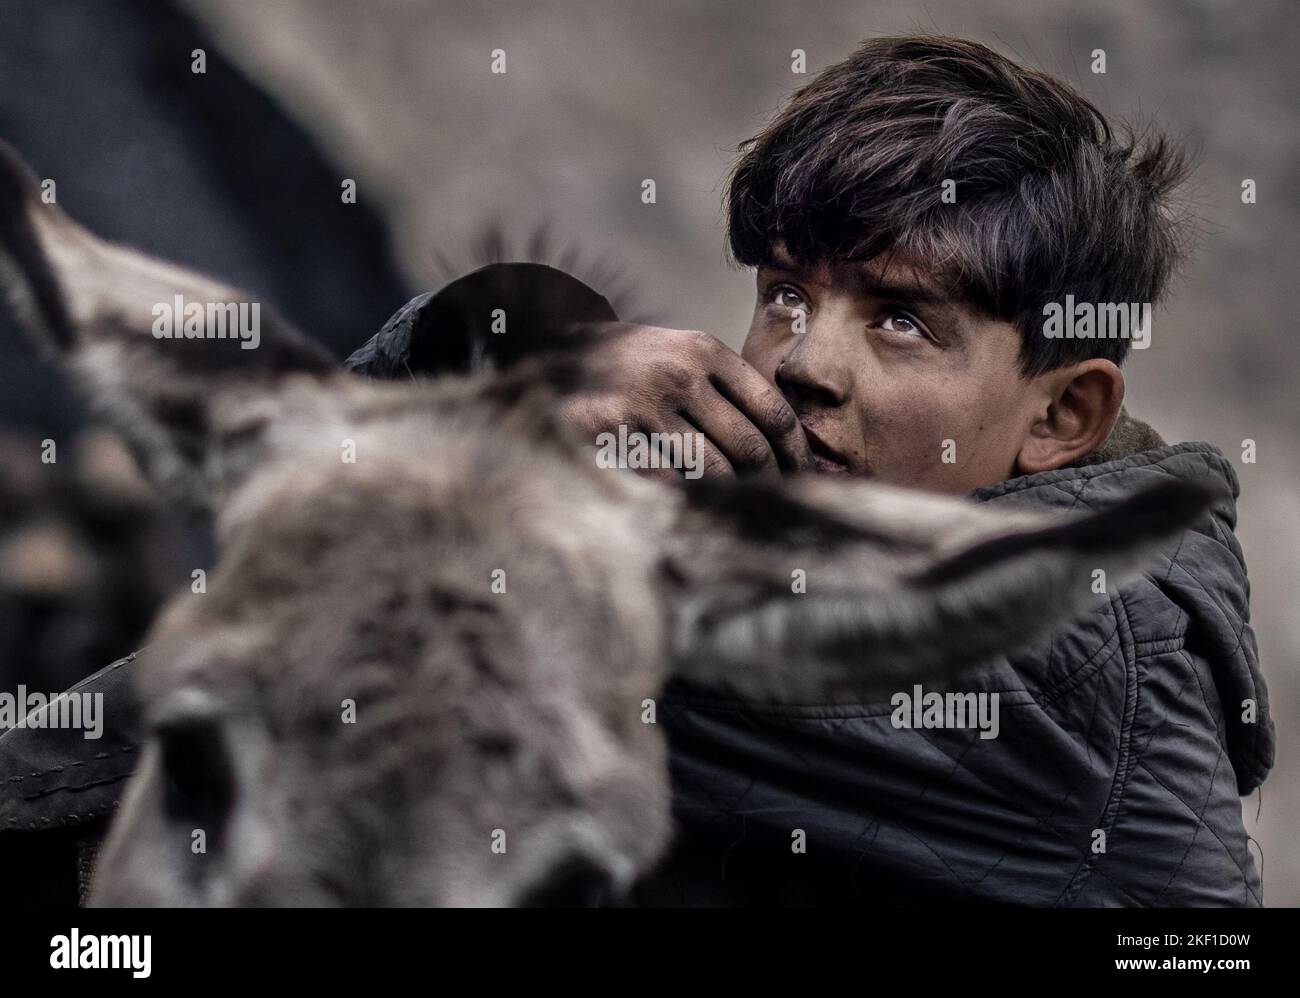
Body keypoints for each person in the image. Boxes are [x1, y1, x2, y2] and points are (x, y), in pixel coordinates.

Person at [0, 35, 1273, 906]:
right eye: (785, 293)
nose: (800, 363)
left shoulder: (1064, 656)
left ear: (1063, 416)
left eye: (901, 320)